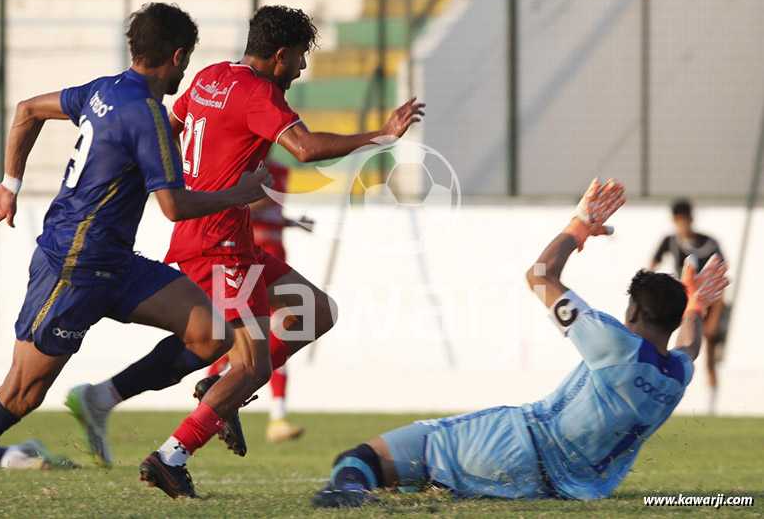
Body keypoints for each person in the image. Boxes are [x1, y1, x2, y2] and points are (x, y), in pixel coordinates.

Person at [72, 5, 425, 498]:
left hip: (235, 240)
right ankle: (171, 456)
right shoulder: (258, 94)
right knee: (254, 365)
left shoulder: (210, 77)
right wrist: (381, 136)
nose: (301, 69)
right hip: (217, 245)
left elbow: (168, 129)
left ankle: (220, 385)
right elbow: (303, 147)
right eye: (300, 58)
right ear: (280, 55)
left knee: (316, 310)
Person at [312, 178, 729, 507]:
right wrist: (695, 306)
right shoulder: (676, 375)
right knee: (419, 474)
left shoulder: (616, 343)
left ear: (633, 313)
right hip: (562, 487)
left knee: (365, 457)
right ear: (671, 321)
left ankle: (348, 490)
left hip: (518, 445)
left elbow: (540, 276)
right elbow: (689, 347)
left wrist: (578, 226)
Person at [0, 2, 271, 486]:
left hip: (116, 263)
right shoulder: (147, 114)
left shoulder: (105, 90)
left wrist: (9, 186)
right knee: (21, 395)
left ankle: (101, 398)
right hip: (74, 265)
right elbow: (173, 206)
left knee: (211, 334)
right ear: (179, 56)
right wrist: (242, 193)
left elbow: (26, 111)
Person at [206, 160, 312, 443]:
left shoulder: (280, 169)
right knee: (230, 339)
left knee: (283, 331)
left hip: (274, 261)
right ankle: (211, 395)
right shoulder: (239, 165)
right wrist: (257, 200)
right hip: (240, 261)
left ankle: (277, 416)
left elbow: (267, 212)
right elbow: (232, 210)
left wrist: (291, 221)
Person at [649, 199, 726, 414]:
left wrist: (714, 318)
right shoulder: (670, 242)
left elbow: (720, 281)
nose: (682, 225)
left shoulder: (709, 243)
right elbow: (651, 266)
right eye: (678, 221)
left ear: (692, 219)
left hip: (707, 305)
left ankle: (711, 409)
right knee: (672, 350)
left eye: (685, 220)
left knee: (709, 358)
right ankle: (663, 399)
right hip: (681, 305)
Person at [0, 440, 76, 470]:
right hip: (10, 449)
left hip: (6, 459)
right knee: (32, 445)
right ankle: (68, 463)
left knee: (41, 463)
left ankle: (61, 464)